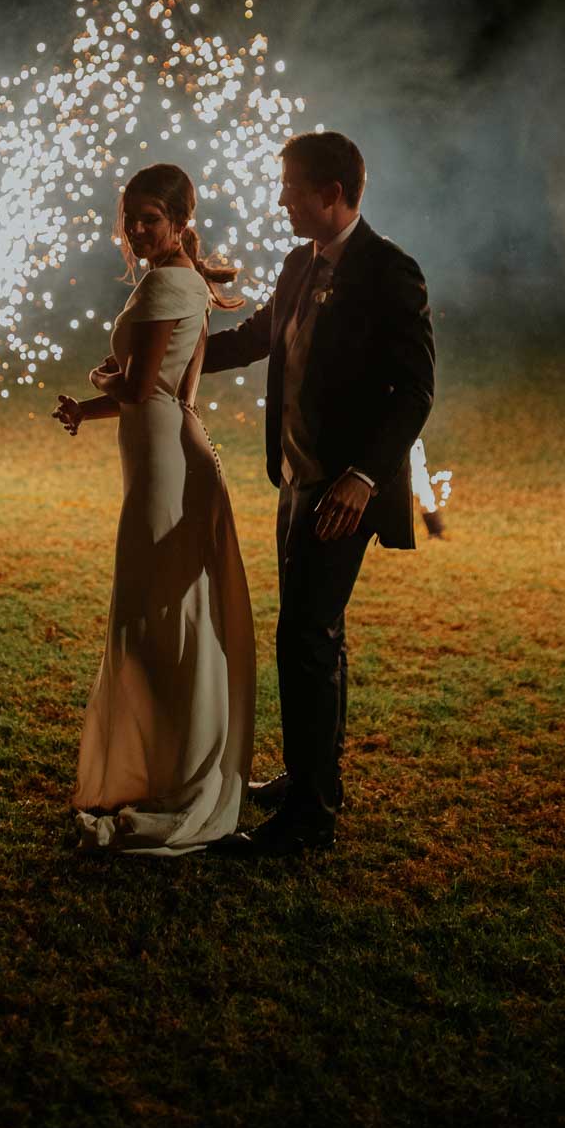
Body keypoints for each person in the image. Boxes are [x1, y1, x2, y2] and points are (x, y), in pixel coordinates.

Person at [203, 131, 435, 856]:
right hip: (295, 478)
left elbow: (415, 392)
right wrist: (167, 357)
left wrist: (362, 478)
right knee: (315, 635)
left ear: (332, 193)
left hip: (343, 491)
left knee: (303, 637)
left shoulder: (388, 270)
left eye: (291, 189)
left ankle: (309, 818)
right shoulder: (297, 264)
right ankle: (311, 777)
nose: (280, 201)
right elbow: (256, 338)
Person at [51, 163, 256, 855]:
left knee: (153, 617)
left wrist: (100, 378)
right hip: (165, 447)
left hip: (166, 463)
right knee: (160, 615)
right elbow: (155, 390)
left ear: (176, 220)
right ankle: (167, 762)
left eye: (148, 218)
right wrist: (91, 405)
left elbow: (144, 387)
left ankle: (173, 776)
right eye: (129, 218)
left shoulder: (168, 281)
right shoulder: (181, 278)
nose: (136, 230)